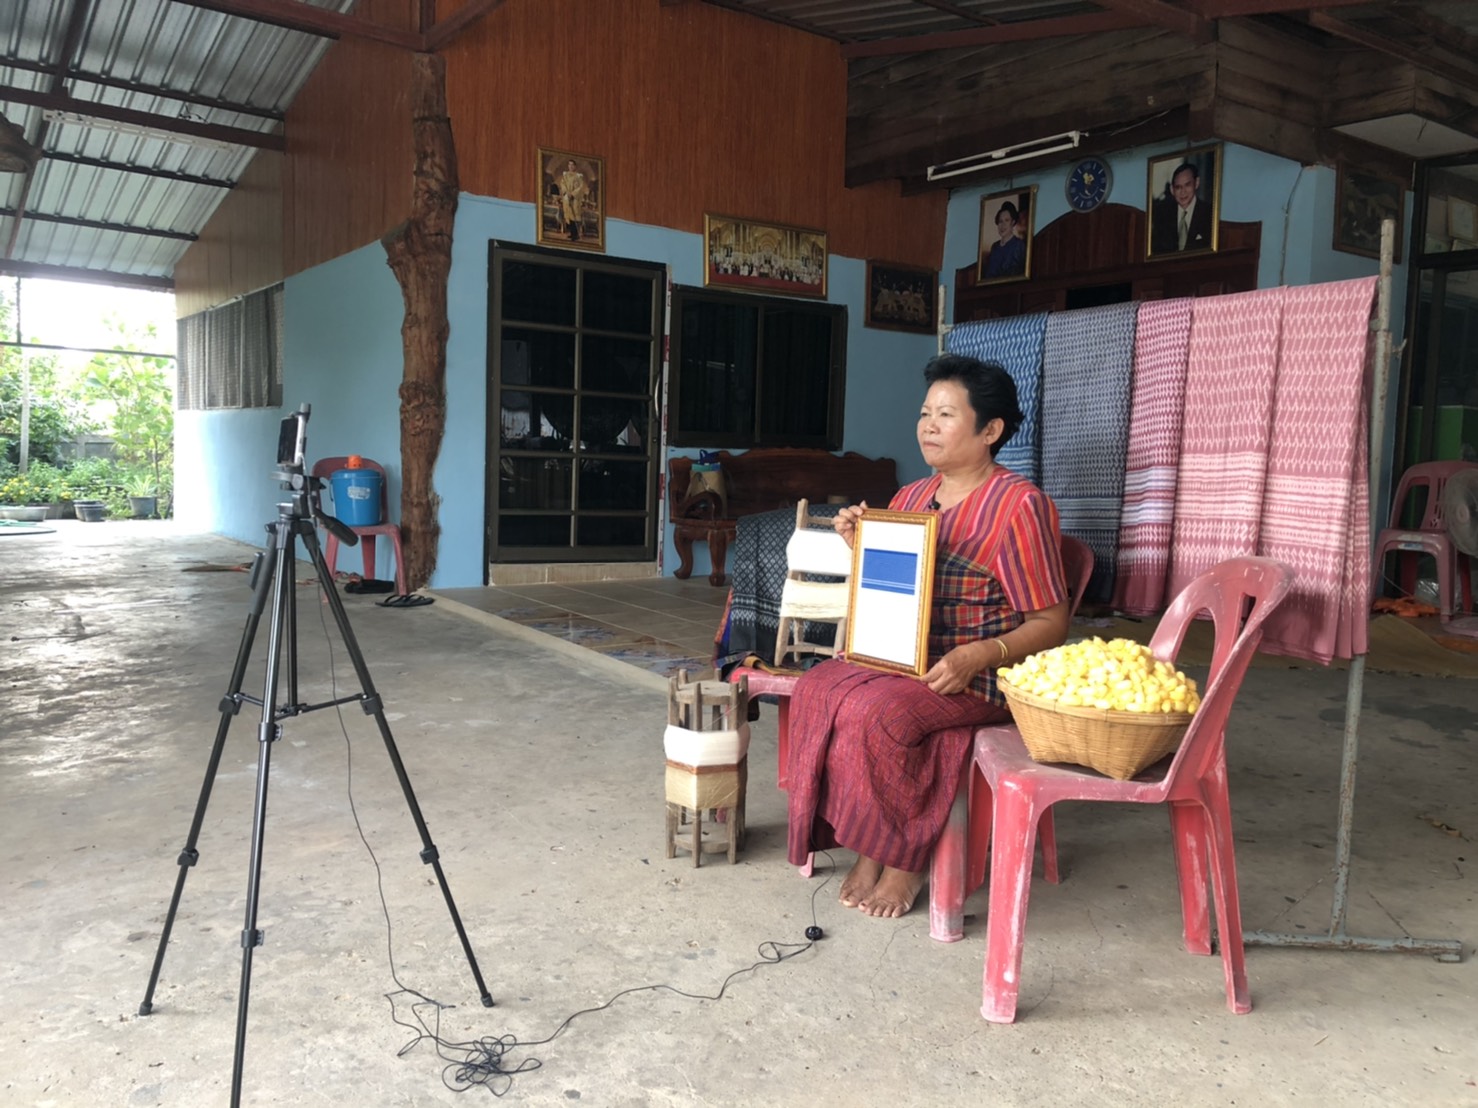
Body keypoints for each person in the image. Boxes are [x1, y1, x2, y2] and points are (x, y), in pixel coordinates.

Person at [786, 354, 1070, 918]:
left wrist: (976, 656)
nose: (928, 426)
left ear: (990, 430)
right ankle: (869, 845)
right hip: (906, 659)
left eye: (946, 414)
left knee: (879, 713)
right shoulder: (911, 498)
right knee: (817, 689)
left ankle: (904, 860)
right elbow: (896, 591)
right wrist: (858, 544)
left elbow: (1052, 623)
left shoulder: (1020, 507)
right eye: (924, 413)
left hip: (978, 672)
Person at [1150, 161, 1213, 254]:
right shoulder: (1162, 215)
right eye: (1178, 187)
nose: (1183, 192)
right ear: (1172, 189)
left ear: (1196, 183)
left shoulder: (1209, 213)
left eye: (1187, 185)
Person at [983, 201, 1027, 278]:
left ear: (1013, 222)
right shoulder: (995, 247)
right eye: (1000, 221)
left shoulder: (1019, 245)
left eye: (1007, 220)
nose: (1003, 225)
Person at [554, 158, 589, 241]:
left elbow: (580, 187)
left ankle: (575, 234)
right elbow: (563, 184)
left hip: (574, 200)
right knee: (568, 216)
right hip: (567, 198)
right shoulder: (565, 175)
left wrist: (573, 194)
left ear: (575, 166)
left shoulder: (578, 176)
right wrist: (566, 192)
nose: (571, 166)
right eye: (569, 164)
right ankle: (572, 233)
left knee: (574, 216)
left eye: (572, 165)